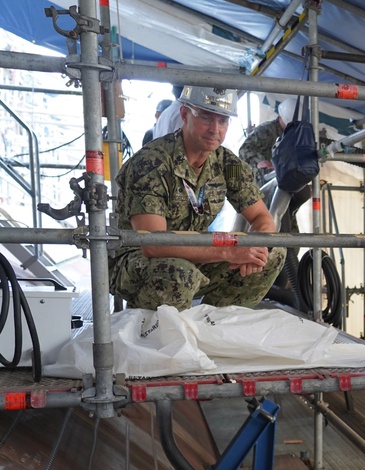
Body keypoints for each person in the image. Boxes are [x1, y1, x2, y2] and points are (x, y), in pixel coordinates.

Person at [111, 85, 285, 311]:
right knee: (180, 273)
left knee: (273, 254)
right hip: (136, 261)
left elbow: (261, 216)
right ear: (185, 115)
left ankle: (216, 327)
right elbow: (153, 244)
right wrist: (228, 251)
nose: (215, 129)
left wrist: (255, 248)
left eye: (222, 121)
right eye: (206, 117)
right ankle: (154, 335)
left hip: (197, 254)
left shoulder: (227, 164)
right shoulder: (151, 163)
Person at [240, 98, 297, 188]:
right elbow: (244, 150)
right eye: (287, 124)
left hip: (274, 183)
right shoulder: (266, 130)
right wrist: (259, 162)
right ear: (280, 117)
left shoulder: (287, 135)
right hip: (257, 184)